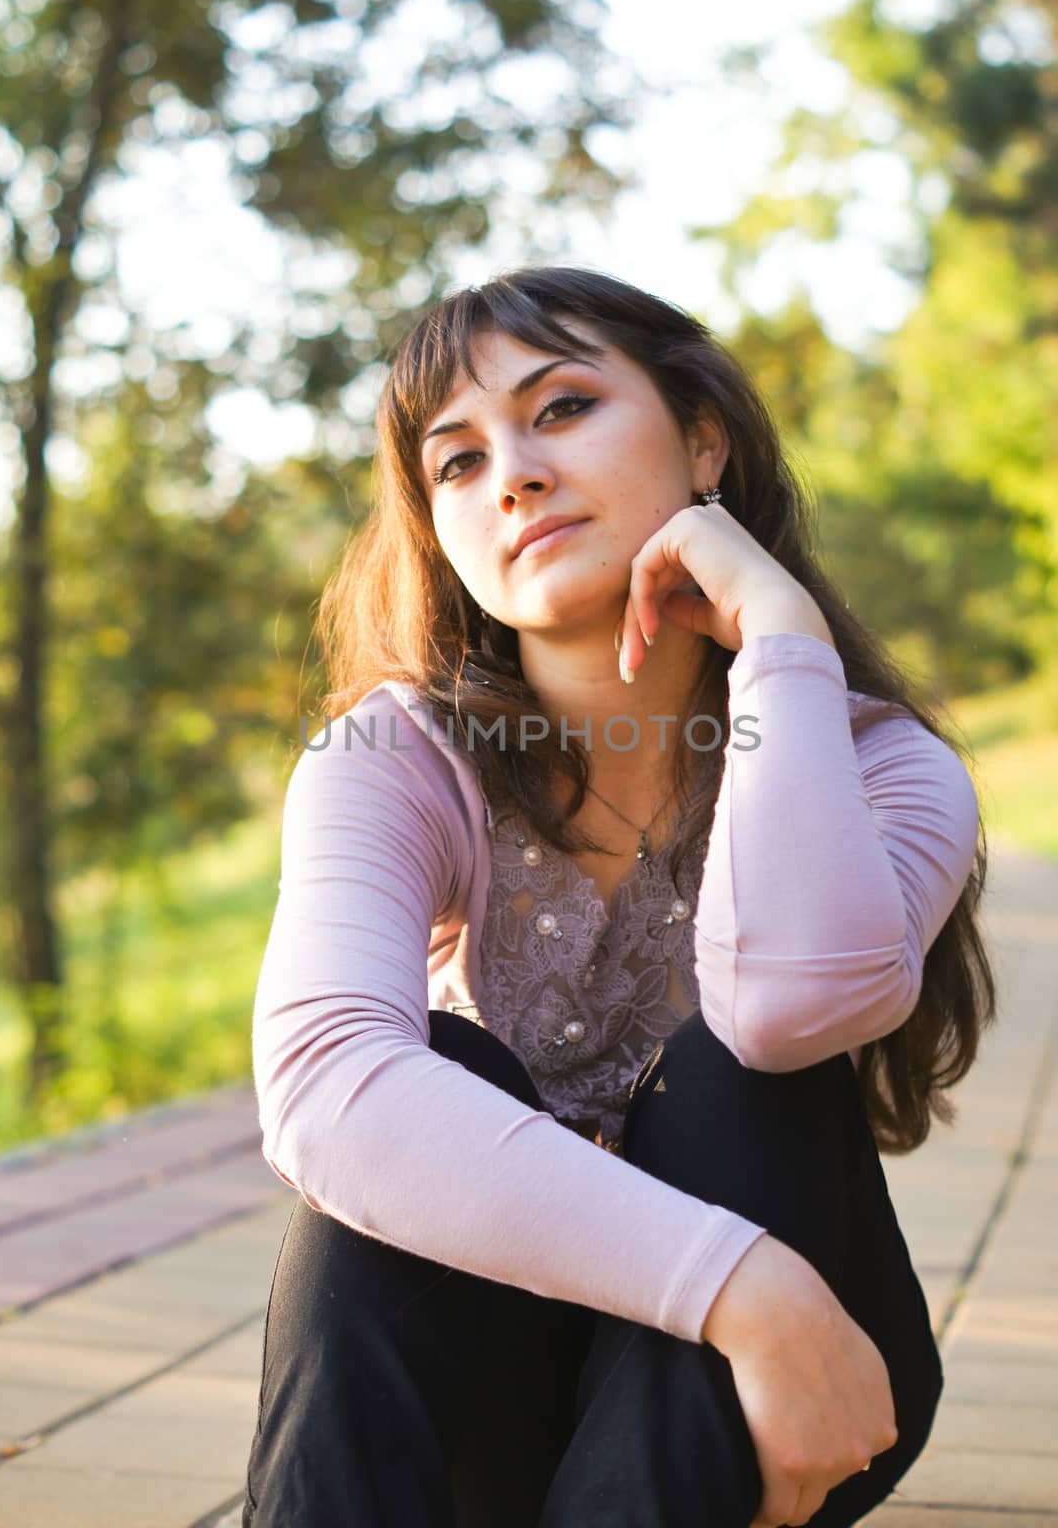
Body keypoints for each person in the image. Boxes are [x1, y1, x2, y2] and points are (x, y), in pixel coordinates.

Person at [241, 266, 996, 1528]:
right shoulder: (390, 759)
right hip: (572, 1369)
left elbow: (786, 1013)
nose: (515, 476)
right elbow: (322, 1087)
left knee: (738, 1074)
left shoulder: (884, 763)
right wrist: (738, 1286)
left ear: (705, 439)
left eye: (564, 407)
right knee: (429, 1073)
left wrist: (782, 642)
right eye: (458, 464)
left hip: (784, 1396)